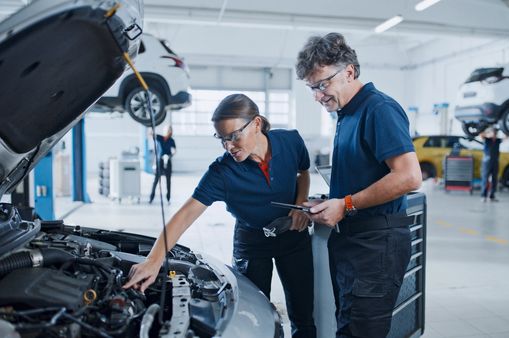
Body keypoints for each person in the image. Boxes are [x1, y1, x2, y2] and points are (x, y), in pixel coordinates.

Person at [124, 94, 317, 338]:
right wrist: (153, 261)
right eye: (222, 139)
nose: (228, 146)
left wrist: (299, 205)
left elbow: (303, 172)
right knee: (255, 319)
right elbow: (185, 215)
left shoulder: (291, 141)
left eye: (234, 136)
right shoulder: (221, 172)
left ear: (256, 124)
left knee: (303, 315)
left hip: (293, 238)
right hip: (252, 245)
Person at [295, 32, 422, 338]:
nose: (317, 95)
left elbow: (409, 176)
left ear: (349, 72)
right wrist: (330, 201)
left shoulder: (378, 109)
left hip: (376, 246)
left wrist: (346, 204)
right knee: (348, 328)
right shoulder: (346, 114)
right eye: (312, 88)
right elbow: (364, 174)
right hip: (352, 243)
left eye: (322, 84)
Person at [149, 125, 176, 204]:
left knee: (168, 181)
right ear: (165, 130)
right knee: (156, 180)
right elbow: (151, 133)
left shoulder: (171, 140)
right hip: (159, 162)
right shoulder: (159, 138)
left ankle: (168, 198)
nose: (169, 131)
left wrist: (170, 156)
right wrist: (151, 125)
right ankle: (151, 198)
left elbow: (174, 150)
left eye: (170, 130)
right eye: (168, 130)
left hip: (167, 161)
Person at [479, 127, 502, 202]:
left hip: (495, 161)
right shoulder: (487, 139)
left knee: (494, 179)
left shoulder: (498, 140)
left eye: (495, 133)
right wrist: (488, 132)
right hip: (487, 162)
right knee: (485, 179)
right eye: (493, 132)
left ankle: (492, 196)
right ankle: (483, 195)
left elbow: (506, 137)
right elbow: (481, 135)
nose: (494, 134)